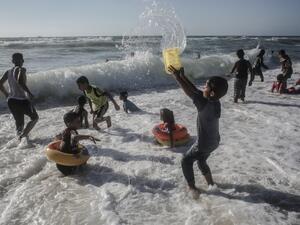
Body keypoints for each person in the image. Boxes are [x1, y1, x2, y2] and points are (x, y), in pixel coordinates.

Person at [168, 66, 228, 199]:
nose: (203, 88)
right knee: (201, 161)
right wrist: (183, 77)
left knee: (185, 161)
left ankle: (192, 188)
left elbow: (190, 93)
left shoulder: (203, 103)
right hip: (215, 141)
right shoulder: (216, 102)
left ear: (211, 93)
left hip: (204, 144)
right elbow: (195, 90)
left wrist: (177, 77)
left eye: (206, 86)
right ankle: (211, 183)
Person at [0, 53, 39, 140]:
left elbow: (0, 83)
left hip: (11, 101)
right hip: (22, 100)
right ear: (23, 61)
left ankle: (19, 142)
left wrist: (6, 94)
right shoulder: (22, 69)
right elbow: (20, 81)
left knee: (19, 123)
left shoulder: (8, 71)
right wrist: (29, 93)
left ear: (12, 61)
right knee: (35, 118)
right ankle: (23, 136)